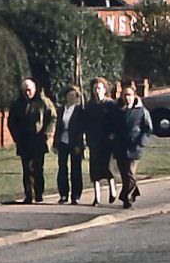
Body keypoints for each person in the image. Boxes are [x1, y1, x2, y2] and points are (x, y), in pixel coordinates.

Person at [7, 78, 56, 204]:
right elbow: (11, 122)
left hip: (39, 140)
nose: (27, 92)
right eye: (24, 90)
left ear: (34, 89)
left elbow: (52, 118)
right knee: (27, 169)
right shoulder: (17, 104)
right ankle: (30, 195)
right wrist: (17, 137)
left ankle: (38, 193)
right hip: (24, 140)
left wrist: (47, 134)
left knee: (38, 168)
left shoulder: (43, 102)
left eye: (29, 90)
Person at [111, 82, 153, 209]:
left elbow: (148, 129)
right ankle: (133, 192)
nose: (127, 98)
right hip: (120, 146)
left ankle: (126, 198)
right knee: (124, 173)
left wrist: (141, 142)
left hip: (135, 147)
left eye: (129, 95)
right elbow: (111, 126)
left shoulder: (141, 111)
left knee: (129, 172)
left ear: (134, 96)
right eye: (124, 95)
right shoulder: (117, 110)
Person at [84, 77, 118, 206]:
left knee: (108, 166)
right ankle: (97, 197)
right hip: (94, 140)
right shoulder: (90, 106)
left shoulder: (110, 104)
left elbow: (115, 122)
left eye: (99, 88)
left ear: (104, 90)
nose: (97, 91)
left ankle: (112, 190)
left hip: (107, 140)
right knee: (95, 169)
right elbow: (86, 123)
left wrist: (113, 135)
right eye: (95, 89)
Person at [53, 86, 86, 204]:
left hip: (75, 143)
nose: (71, 98)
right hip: (63, 141)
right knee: (62, 168)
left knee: (75, 168)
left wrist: (80, 144)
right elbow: (57, 127)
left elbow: (81, 128)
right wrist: (55, 143)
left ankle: (76, 195)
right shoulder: (61, 110)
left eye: (74, 96)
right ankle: (63, 194)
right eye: (69, 95)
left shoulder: (79, 110)